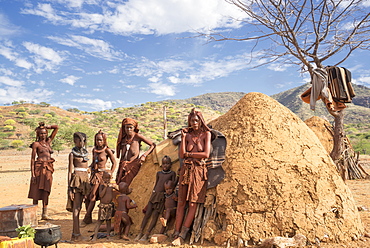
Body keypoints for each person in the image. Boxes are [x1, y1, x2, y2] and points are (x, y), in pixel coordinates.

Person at [172, 108, 212, 246]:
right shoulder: (187, 136)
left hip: (199, 171)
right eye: (192, 120)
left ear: (201, 121)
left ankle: (183, 234)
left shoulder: (206, 134)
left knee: (193, 202)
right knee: (181, 202)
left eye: (196, 120)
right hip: (185, 170)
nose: (194, 123)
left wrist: (190, 155)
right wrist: (183, 138)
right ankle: (176, 232)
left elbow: (206, 154)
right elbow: (182, 154)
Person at [135, 156, 176, 241]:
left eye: (167, 163)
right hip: (154, 195)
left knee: (155, 216)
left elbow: (173, 185)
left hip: (162, 197)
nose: (165, 165)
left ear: (171, 164)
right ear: (161, 164)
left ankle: (147, 234)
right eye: (164, 163)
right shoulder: (159, 173)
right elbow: (156, 184)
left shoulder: (172, 174)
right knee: (147, 214)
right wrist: (152, 194)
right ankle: (140, 232)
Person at [83, 130, 117, 225]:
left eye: (101, 140)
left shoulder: (107, 150)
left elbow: (114, 162)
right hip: (94, 175)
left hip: (101, 176)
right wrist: (89, 168)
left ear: (104, 140)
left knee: (93, 195)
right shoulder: (94, 150)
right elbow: (94, 162)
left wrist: (110, 172)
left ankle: (87, 217)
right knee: (87, 196)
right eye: (97, 140)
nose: (99, 142)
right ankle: (89, 217)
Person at [28, 122, 58, 220]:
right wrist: (32, 174)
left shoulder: (48, 142)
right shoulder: (36, 144)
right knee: (36, 191)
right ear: (37, 134)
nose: (43, 135)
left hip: (48, 169)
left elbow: (56, 127)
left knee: (46, 190)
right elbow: (32, 159)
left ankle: (44, 214)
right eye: (41, 133)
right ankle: (34, 214)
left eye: (45, 133)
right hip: (38, 168)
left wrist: (47, 127)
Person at [116, 118, 156, 186]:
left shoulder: (137, 137)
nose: (129, 130)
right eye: (127, 128)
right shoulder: (123, 139)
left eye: (130, 127)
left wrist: (144, 155)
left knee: (130, 185)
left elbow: (153, 145)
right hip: (122, 166)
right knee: (120, 185)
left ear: (134, 128)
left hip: (133, 167)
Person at [67, 132, 91, 241]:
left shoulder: (85, 153)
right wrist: (69, 189)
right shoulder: (72, 154)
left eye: (83, 140)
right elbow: (69, 171)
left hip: (85, 180)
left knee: (80, 207)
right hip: (76, 181)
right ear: (75, 141)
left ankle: (77, 234)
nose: (82, 143)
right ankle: (75, 235)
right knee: (76, 208)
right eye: (79, 140)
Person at [92, 171, 117, 241]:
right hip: (103, 206)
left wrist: (114, 187)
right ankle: (95, 235)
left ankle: (108, 235)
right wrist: (105, 188)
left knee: (108, 221)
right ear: (102, 178)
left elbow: (118, 190)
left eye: (109, 178)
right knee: (100, 221)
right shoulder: (101, 186)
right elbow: (101, 195)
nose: (107, 180)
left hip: (109, 206)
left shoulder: (111, 186)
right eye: (105, 178)